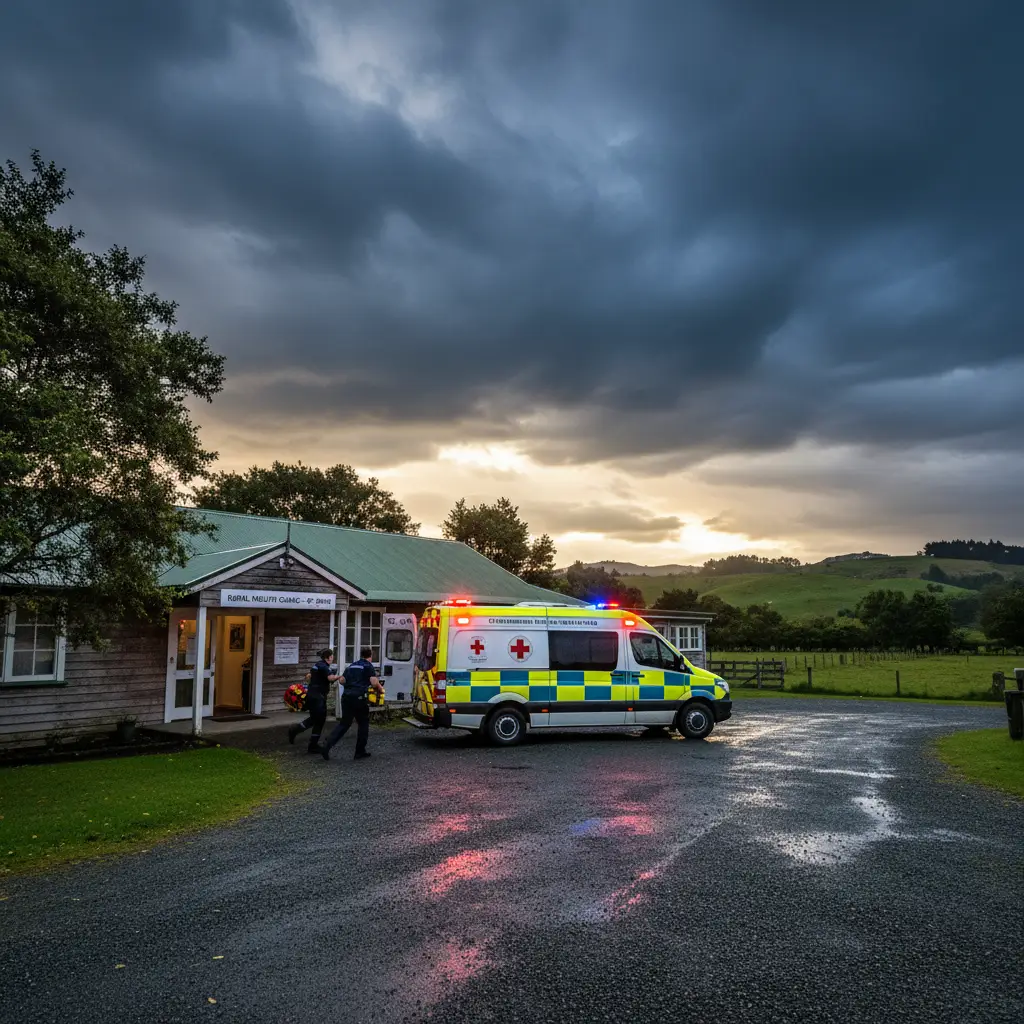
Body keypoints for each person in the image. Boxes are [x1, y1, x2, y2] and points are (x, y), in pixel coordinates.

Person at [320, 646, 384, 761]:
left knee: (344, 723)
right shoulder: (368, 666)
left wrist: (351, 684)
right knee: (363, 723)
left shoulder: (352, 665)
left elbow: (342, 680)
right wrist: (380, 688)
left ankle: (327, 745)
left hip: (346, 697)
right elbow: (374, 683)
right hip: (359, 698)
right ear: (370, 656)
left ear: (361, 655)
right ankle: (360, 751)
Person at [288, 648, 339, 753]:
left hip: (312, 695)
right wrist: (339, 676)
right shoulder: (324, 666)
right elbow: (330, 678)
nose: (332, 657)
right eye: (332, 656)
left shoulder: (317, 665)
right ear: (329, 657)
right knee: (319, 719)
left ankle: (303, 736)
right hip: (318, 697)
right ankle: (302, 736)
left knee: (316, 719)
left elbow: (308, 677)